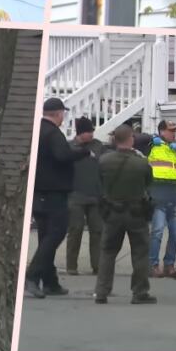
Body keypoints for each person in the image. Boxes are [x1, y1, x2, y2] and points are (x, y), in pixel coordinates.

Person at [25, 98, 90, 299]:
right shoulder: (53, 133)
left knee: (46, 235)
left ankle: (50, 281)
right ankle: (32, 276)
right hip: (54, 192)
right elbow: (62, 155)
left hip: (38, 191)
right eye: (63, 114)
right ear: (59, 114)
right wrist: (83, 153)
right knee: (57, 233)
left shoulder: (38, 130)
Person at [95, 124, 157, 305]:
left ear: (115, 140)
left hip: (112, 212)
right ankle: (139, 292)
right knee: (140, 252)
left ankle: (101, 291)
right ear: (131, 139)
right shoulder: (141, 163)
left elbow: (99, 184)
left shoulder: (104, 161)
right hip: (136, 212)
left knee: (107, 252)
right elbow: (149, 183)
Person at [144, 120, 176, 277]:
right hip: (157, 193)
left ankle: (169, 264)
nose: (174, 133)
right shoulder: (152, 145)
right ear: (162, 131)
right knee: (157, 231)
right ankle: (152, 265)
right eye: (171, 130)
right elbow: (138, 142)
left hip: (174, 194)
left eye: (175, 131)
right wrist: (152, 140)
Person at [66, 117, 106, 275]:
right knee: (75, 230)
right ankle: (71, 266)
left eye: (92, 131)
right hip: (75, 194)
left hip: (95, 195)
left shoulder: (98, 146)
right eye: (88, 132)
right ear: (80, 133)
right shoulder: (70, 147)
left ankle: (98, 265)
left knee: (97, 231)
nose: (91, 134)